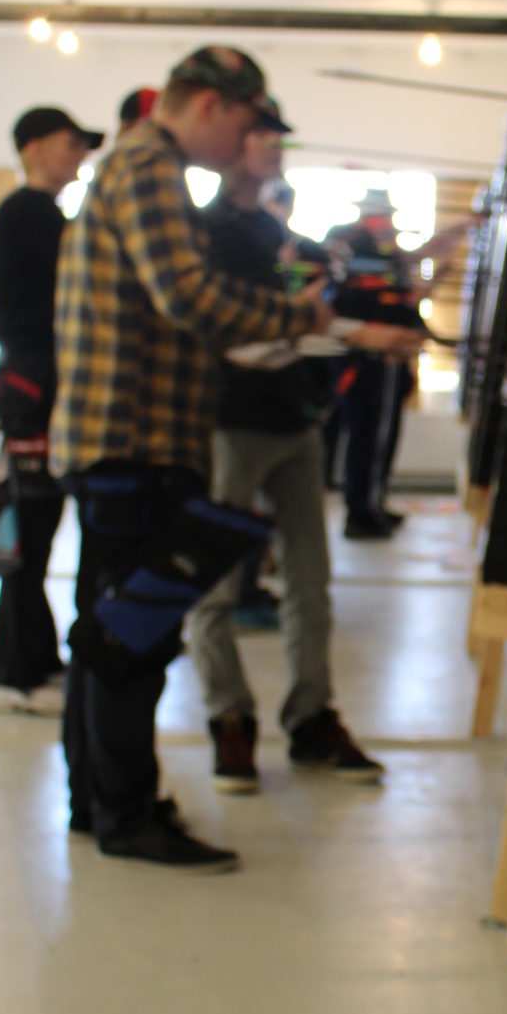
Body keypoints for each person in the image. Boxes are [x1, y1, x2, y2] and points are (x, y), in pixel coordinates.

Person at [49, 45, 337, 873]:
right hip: (133, 442)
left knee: (108, 628)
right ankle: (127, 814)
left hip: (123, 441)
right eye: (243, 123)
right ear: (209, 104)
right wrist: (297, 318)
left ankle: (97, 800)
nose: (245, 143)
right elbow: (187, 294)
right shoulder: (150, 167)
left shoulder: (137, 165)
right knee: (133, 636)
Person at [187, 104, 418, 792]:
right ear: (230, 141)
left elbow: (293, 322)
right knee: (215, 584)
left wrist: (345, 331)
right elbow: (235, 327)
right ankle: (228, 718)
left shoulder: (272, 232)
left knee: (310, 582)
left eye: (277, 137)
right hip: (230, 421)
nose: (274, 147)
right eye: (261, 134)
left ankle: (311, 718)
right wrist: (351, 333)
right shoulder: (205, 231)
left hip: (293, 418)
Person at [0, 103, 104, 714]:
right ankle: (16, 674)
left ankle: (33, 660)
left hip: (41, 384)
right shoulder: (27, 212)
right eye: (69, 143)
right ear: (32, 146)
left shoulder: (47, 214)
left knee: (40, 526)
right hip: (32, 387)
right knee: (28, 532)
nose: (78, 155)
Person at [331, 206, 420, 539]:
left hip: (380, 362)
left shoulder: (377, 253)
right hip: (371, 363)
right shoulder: (360, 250)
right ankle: (363, 511)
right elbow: (374, 302)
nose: (389, 227)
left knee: (377, 440)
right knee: (369, 439)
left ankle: (372, 504)